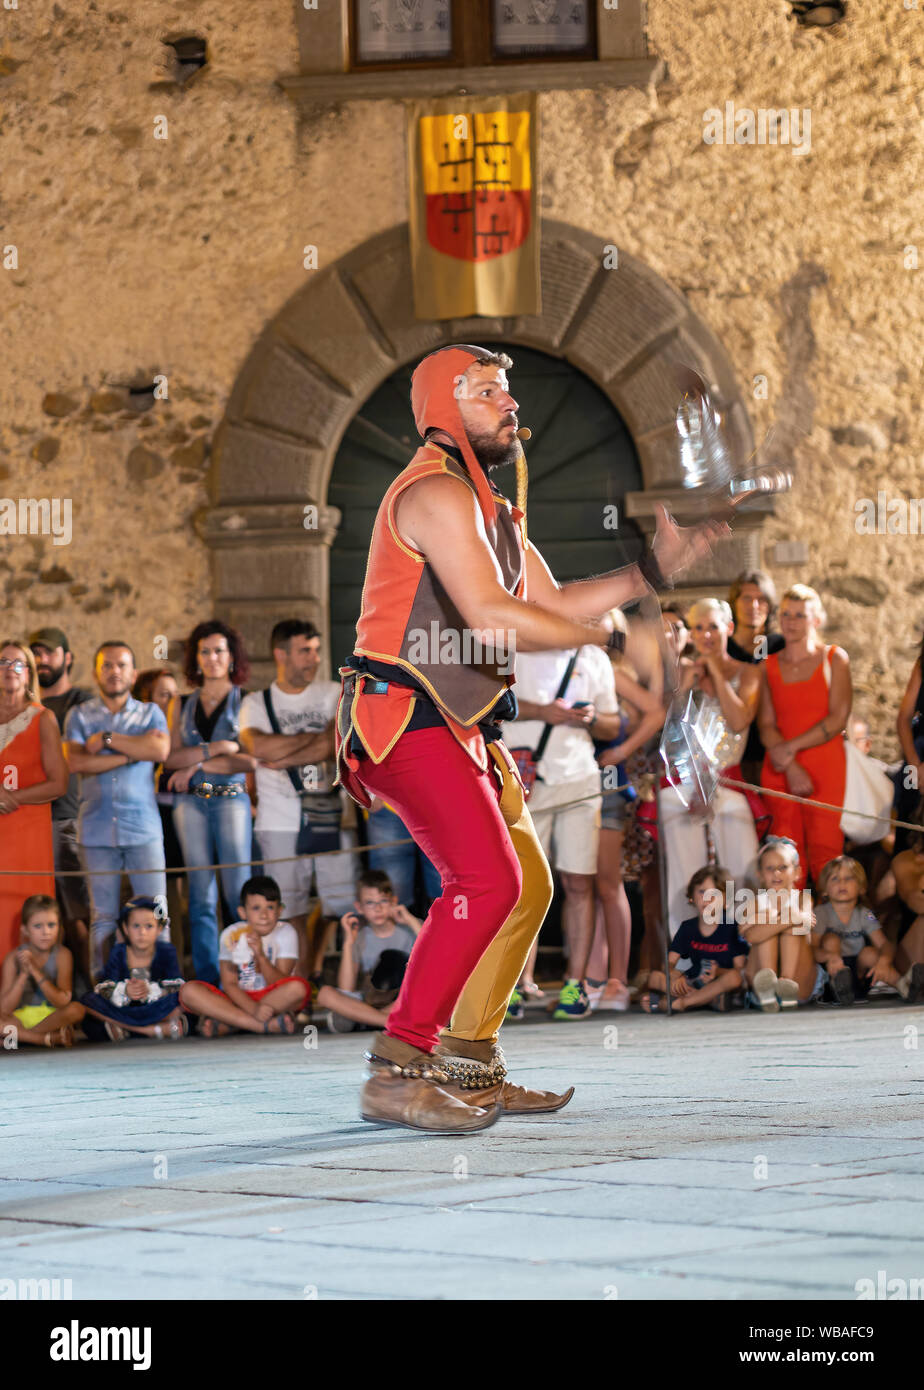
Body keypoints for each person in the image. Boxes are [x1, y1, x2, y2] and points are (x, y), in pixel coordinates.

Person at [334, 342, 728, 1131]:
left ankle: (468, 1064)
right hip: (402, 712)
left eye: (509, 393)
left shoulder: (495, 513)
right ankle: (396, 1067)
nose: (511, 405)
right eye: (486, 392)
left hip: (457, 721)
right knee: (489, 881)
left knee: (527, 885)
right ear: (445, 408)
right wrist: (616, 645)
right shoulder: (434, 494)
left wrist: (651, 570)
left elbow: (552, 597)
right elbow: (491, 616)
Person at [502, 642, 623, 1021]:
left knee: (578, 883)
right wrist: (547, 712)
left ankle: (575, 984)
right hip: (525, 776)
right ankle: (516, 984)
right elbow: (488, 705)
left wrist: (587, 719)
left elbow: (613, 723)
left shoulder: (594, 657)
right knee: (522, 884)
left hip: (580, 778)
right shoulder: (513, 648)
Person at [240, 619, 356, 978]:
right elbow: (257, 745)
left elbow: (333, 742)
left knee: (341, 904)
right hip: (278, 821)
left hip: (332, 814)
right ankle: (300, 985)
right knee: (290, 910)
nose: (314, 658)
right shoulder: (255, 703)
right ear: (281, 654)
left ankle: (322, 971)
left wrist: (284, 757)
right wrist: (315, 745)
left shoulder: (334, 692)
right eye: (305, 650)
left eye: (317, 650)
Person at [64, 641, 170, 981]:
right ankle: (105, 989)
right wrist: (132, 753)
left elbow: (159, 749)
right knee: (103, 916)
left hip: (143, 829)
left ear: (133, 673)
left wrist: (108, 740)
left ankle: (162, 988)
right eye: (106, 665)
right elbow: (77, 760)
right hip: (94, 830)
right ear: (96, 673)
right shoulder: (79, 715)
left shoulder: (151, 713)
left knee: (157, 911)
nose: (114, 671)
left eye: (121, 665)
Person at [658, 599, 761, 931]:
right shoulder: (681, 672)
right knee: (684, 871)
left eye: (713, 627)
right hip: (685, 783)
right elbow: (666, 733)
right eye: (698, 628)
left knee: (742, 870)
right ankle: (684, 950)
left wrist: (716, 670)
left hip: (730, 783)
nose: (706, 635)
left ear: (728, 629)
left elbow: (739, 719)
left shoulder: (748, 672)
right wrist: (685, 684)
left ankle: (745, 946)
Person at [179, 874, 390, 1036]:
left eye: (270, 907)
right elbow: (230, 983)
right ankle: (261, 1026)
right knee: (188, 991)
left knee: (299, 987)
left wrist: (260, 956)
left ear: (279, 910)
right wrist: (254, 1010)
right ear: (243, 912)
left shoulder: (285, 932)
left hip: (273, 998)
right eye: (256, 908)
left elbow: (282, 980)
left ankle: (229, 1023)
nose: (263, 914)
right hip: (239, 998)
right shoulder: (231, 934)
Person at [165, 622, 255, 985]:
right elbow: (170, 758)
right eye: (205, 651)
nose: (213, 658)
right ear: (195, 658)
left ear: (232, 657)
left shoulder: (247, 700)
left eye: (220, 651)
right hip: (190, 804)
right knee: (200, 895)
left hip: (232, 801)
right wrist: (218, 748)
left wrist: (197, 763)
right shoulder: (181, 703)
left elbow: (249, 760)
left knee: (237, 892)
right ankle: (208, 982)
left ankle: (246, 975)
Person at [758, 585, 851, 888]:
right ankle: (790, 932)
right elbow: (766, 724)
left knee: (827, 854)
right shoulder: (768, 666)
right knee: (783, 858)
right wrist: (791, 764)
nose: (791, 621)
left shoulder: (835, 659)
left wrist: (792, 748)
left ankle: (829, 933)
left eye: (800, 615)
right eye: (786, 614)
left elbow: (838, 718)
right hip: (781, 769)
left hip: (826, 767)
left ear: (817, 620)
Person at [30, 626, 94, 985]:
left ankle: (90, 994)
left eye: (49, 652)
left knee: (76, 914)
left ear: (67, 658)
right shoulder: (21, 708)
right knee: (37, 914)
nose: (42, 660)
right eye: (35, 654)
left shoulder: (80, 703)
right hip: (24, 821)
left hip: (65, 817)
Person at [0, 641, 68, 961]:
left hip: (27, 836)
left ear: (28, 673)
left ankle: (28, 999)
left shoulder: (43, 719)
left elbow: (59, 782)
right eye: (2, 662)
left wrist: (13, 797)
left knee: (25, 912)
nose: (9, 670)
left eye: (17, 664)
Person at [813, 856, 924, 1005]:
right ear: (824, 889)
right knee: (831, 939)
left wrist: (884, 961)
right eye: (835, 879)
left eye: (849, 878)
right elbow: (811, 949)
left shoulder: (866, 914)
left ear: (861, 888)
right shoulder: (820, 913)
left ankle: (903, 985)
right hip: (831, 973)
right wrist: (829, 957)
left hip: (858, 977)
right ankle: (838, 984)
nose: (842, 883)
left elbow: (884, 944)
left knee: (870, 953)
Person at [641, 866, 748, 1013]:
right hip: (692, 983)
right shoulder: (687, 928)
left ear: (726, 901)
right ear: (692, 896)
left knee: (735, 978)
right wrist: (674, 974)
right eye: (702, 891)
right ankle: (707, 1000)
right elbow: (669, 962)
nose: (707, 899)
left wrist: (717, 973)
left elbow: (740, 970)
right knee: (654, 977)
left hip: (718, 983)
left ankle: (682, 1003)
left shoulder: (731, 928)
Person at [80, 896, 188, 1041]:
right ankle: (150, 1030)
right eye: (136, 926)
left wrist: (152, 990)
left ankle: (126, 1031)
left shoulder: (166, 951)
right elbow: (105, 985)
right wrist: (124, 990)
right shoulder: (119, 952)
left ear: (159, 929)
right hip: (124, 1010)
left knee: (185, 999)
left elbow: (176, 984)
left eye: (149, 926)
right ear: (125, 928)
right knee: (88, 1001)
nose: (142, 932)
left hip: (156, 1008)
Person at [133, 667, 185, 956]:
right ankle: (173, 961)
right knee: (168, 899)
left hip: (188, 816)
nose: (174, 700)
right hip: (157, 821)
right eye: (165, 695)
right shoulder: (143, 734)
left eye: (176, 694)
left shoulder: (187, 729)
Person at [335, 869, 421, 1028]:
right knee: (326, 994)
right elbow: (346, 989)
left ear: (394, 902)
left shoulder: (409, 930)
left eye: (383, 901)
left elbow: (438, 960)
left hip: (403, 999)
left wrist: (410, 920)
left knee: (427, 993)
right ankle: (383, 1020)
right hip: (370, 1002)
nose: (377, 908)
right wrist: (348, 943)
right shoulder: (359, 937)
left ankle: (371, 1020)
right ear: (359, 907)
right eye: (370, 903)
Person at [740, 837, 818, 1011]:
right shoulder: (754, 904)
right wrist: (789, 917)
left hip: (800, 981)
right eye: (770, 868)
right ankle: (767, 986)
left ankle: (786, 984)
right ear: (759, 874)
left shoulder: (803, 899)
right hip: (758, 976)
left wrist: (780, 920)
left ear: (797, 872)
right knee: (770, 927)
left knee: (791, 928)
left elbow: (804, 926)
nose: (777, 873)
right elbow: (751, 936)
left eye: (783, 867)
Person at [0, 894, 84, 1047]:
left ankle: (21, 1038)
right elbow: (4, 1008)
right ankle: (44, 1039)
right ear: (25, 930)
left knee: (77, 1009)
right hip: (18, 1018)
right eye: (38, 926)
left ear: (59, 926)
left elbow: (62, 1002)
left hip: (50, 1017)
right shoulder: (13, 958)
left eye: (51, 925)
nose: (46, 932)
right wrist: (24, 974)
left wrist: (35, 970)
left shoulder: (63, 955)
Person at [726, 571, 785, 787]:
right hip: (729, 753)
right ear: (734, 602)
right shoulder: (723, 647)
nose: (754, 606)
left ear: (770, 606)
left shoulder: (779, 645)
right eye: (746, 598)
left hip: (771, 753)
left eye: (761, 599)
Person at [894, 637, 924, 856]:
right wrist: (915, 764)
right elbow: (904, 718)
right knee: (908, 823)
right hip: (916, 756)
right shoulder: (922, 663)